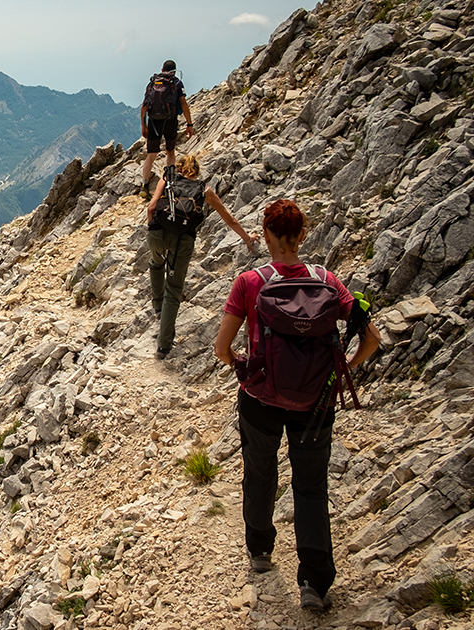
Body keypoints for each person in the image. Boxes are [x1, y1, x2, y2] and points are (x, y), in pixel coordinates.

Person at [213, 199, 381, 612]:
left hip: (260, 399)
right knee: (310, 485)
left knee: (260, 472)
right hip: (316, 402)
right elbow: (372, 338)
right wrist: (342, 372)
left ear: (266, 234)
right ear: (302, 235)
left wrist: (242, 367)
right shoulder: (328, 280)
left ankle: (260, 549)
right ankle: (314, 581)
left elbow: (221, 348)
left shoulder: (249, 282)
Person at [147, 154, 257, 359]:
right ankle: (163, 347)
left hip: (158, 233)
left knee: (155, 263)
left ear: (179, 168)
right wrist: (247, 237)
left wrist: (152, 228)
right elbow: (229, 218)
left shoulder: (167, 179)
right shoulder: (204, 190)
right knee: (174, 288)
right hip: (183, 240)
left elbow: (151, 207)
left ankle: (157, 304)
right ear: (196, 172)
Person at [141, 60, 194, 188]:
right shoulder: (176, 82)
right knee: (170, 151)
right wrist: (189, 124)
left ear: (162, 69)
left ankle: (144, 184)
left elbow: (144, 107)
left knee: (151, 155)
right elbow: (184, 105)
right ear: (174, 71)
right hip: (170, 121)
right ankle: (170, 181)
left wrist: (144, 125)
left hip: (153, 121)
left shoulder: (153, 83)